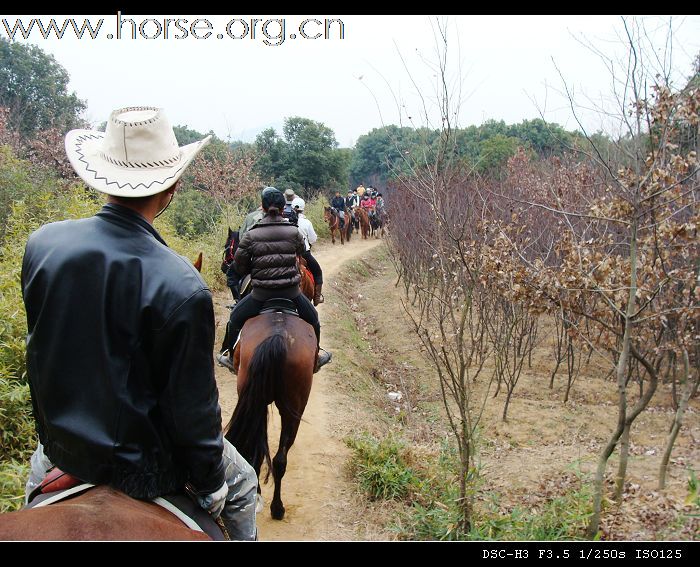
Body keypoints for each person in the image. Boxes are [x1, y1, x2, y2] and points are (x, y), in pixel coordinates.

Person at [21, 106, 257, 540]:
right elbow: (193, 413)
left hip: (62, 451)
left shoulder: (42, 245)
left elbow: (40, 349)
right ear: (172, 186)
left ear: (101, 177)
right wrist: (210, 483)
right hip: (146, 467)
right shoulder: (182, 283)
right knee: (244, 489)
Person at [218, 187, 331, 372]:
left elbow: (239, 267)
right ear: (282, 209)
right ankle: (316, 357)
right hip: (292, 293)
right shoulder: (294, 233)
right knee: (314, 319)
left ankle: (231, 358)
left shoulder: (251, 235)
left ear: (262, 207)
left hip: (260, 295)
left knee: (234, 320)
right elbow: (301, 256)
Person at [292, 197, 324, 305]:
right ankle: (317, 298)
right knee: (318, 272)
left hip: (288, 254)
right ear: (303, 208)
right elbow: (313, 239)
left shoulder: (285, 221)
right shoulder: (306, 222)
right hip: (304, 254)